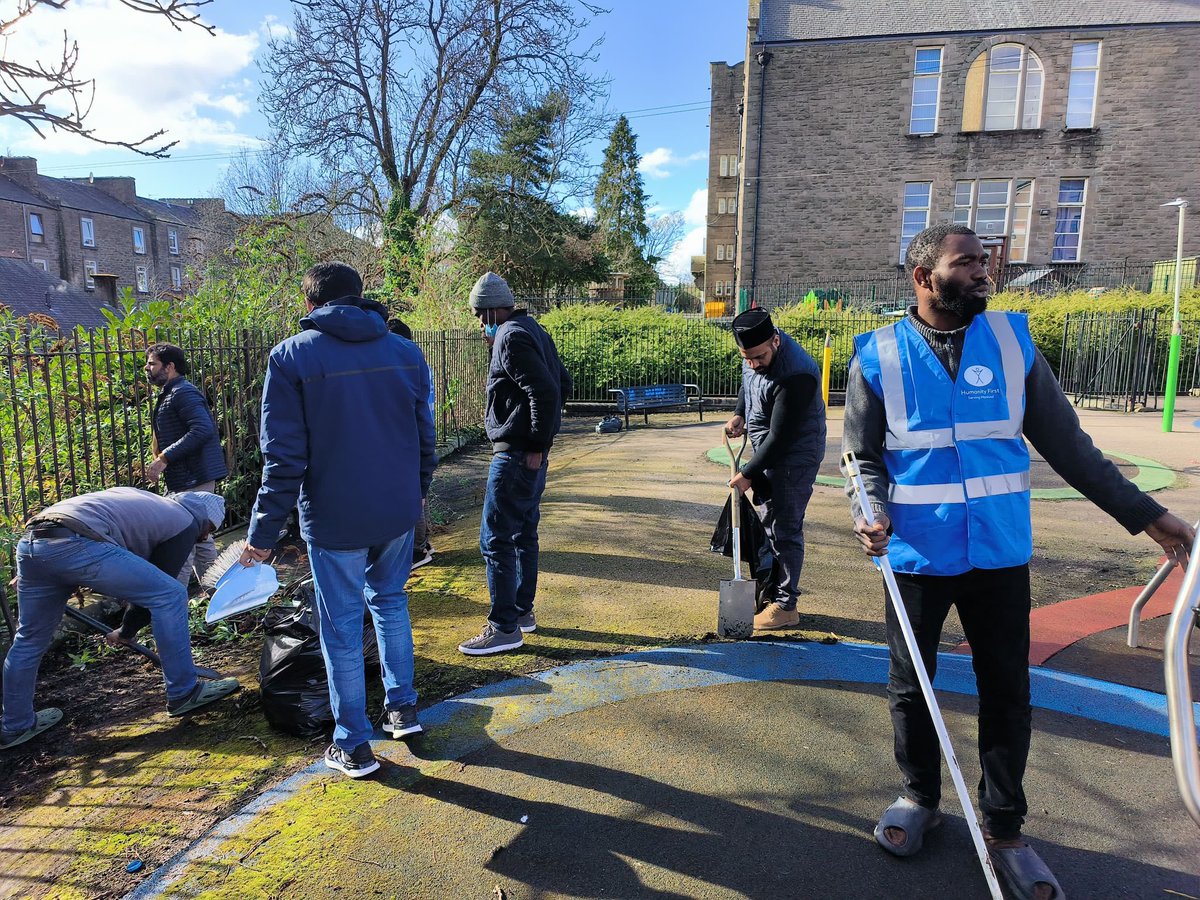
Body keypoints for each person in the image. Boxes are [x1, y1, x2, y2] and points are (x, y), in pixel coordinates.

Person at [842, 223, 1195, 899]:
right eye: (966, 262)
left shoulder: (1012, 345)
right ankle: (919, 797)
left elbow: (1072, 448)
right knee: (911, 687)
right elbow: (861, 457)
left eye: (985, 262)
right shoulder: (877, 356)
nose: (983, 272)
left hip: (998, 553)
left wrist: (1149, 517)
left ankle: (1006, 829)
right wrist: (869, 510)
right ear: (924, 277)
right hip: (914, 555)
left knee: (1007, 690)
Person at [239, 262, 437, 779]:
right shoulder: (405, 352)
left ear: (312, 306)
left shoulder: (290, 357)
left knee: (342, 627)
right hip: (395, 510)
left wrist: (261, 536)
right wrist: (417, 494)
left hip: (334, 518)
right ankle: (403, 709)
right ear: (360, 297)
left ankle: (352, 741)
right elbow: (424, 436)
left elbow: (283, 458)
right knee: (390, 603)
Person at [1, 487, 239, 750]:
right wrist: (126, 632)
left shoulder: (146, 504)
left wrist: (40, 567)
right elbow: (159, 592)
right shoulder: (184, 522)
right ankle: (184, 692)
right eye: (207, 532)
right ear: (204, 524)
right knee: (171, 595)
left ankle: (16, 724)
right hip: (76, 543)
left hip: (34, 545)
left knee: (29, 639)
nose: (204, 537)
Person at [458, 272, 571, 656]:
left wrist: (536, 441)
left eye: (479, 314)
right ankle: (521, 613)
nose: (479, 324)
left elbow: (544, 389)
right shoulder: (533, 329)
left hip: (517, 453)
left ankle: (503, 626)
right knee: (523, 533)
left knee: (496, 538)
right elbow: (563, 382)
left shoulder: (509, 335)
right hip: (528, 451)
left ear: (491, 309)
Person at [723, 307, 826, 630]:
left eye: (757, 356)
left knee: (784, 528)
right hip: (766, 447)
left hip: (794, 457)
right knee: (769, 522)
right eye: (746, 356)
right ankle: (772, 590)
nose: (752, 362)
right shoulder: (756, 352)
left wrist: (748, 473)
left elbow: (781, 437)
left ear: (776, 341)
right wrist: (740, 412)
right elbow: (749, 379)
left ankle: (785, 606)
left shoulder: (797, 375)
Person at [144, 343, 229, 580]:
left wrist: (164, 458)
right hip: (188, 476)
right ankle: (218, 593)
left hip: (194, 476)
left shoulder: (183, 393)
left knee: (182, 542)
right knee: (200, 539)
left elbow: (203, 429)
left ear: (169, 367)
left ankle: (175, 604)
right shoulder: (173, 392)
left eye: (153, 364)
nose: (147, 368)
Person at [388, 318, 437, 570]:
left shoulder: (402, 365)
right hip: (423, 435)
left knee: (415, 495)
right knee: (421, 492)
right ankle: (424, 541)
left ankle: (417, 548)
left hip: (411, 439)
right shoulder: (419, 362)